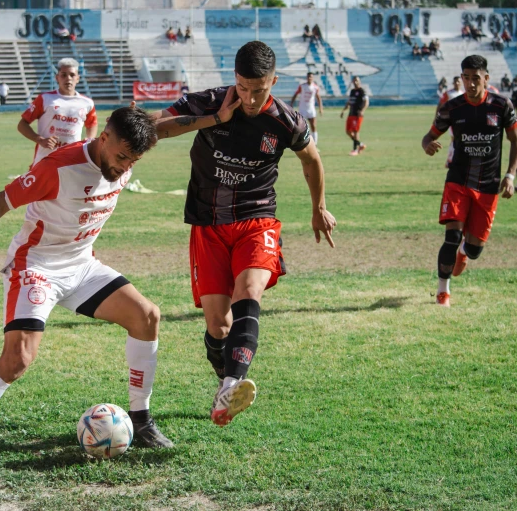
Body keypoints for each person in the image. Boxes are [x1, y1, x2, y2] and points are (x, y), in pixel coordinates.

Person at [0, 107, 175, 471]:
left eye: (133, 160)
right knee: (17, 360)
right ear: (103, 137)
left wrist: (221, 114)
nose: (124, 167)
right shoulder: (58, 168)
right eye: (121, 157)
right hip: (36, 266)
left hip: (82, 265)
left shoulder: (125, 155)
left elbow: (174, 124)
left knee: (146, 316)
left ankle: (141, 420)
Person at [150, 41, 336, 427]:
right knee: (218, 326)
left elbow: (311, 160)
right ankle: (225, 383)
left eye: (260, 89)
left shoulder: (286, 121)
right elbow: (155, 128)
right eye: (245, 88)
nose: (251, 99)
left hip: (257, 219)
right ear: (235, 78)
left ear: (274, 81)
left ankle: (233, 380)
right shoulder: (209, 102)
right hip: (208, 223)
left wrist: (318, 208)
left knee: (248, 294)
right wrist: (215, 120)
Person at [421, 55, 517, 307]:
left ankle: (465, 252)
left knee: (474, 249)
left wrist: (510, 175)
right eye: (466, 78)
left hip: (488, 186)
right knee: (451, 237)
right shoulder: (452, 108)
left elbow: (516, 140)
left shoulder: (502, 105)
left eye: (476, 78)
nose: (470, 83)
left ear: (486, 78)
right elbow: (429, 135)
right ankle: (443, 290)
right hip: (457, 182)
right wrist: (427, 145)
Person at [18, 58, 97, 169]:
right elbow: (22, 124)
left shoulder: (87, 103)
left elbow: (92, 124)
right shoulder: (45, 99)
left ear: (78, 78)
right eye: (63, 75)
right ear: (57, 78)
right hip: (44, 160)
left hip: (72, 161)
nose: (68, 78)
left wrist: (88, 141)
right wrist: (40, 140)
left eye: (72, 75)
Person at [436, 75, 465, 168]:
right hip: (452, 120)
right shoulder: (448, 94)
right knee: (454, 138)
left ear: (461, 83)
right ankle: (450, 160)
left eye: (458, 81)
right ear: (453, 83)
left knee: (459, 139)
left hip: (462, 120)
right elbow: (440, 104)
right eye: (455, 81)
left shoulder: (464, 93)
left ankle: (454, 159)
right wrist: (437, 116)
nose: (457, 83)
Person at [290, 72, 324, 145]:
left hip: (311, 109)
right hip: (302, 109)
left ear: (313, 78)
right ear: (307, 78)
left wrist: (321, 107)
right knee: (300, 127)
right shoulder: (302, 86)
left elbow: (318, 97)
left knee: (313, 126)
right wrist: (291, 104)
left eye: (311, 77)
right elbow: (295, 94)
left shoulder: (315, 87)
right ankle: (301, 143)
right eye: (308, 77)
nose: (309, 78)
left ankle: (315, 144)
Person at [340, 76, 369, 156]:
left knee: (356, 131)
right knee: (348, 131)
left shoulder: (362, 91)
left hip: (357, 114)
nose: (355, 82)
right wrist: (343, 111)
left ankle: (355, 150)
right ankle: (361, 145)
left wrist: (362, 111)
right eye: (354, 81)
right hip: (351, 114)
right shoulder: (352, 91)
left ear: (359, 82)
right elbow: (349, 102)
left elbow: (366, 102)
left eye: (357, 80)